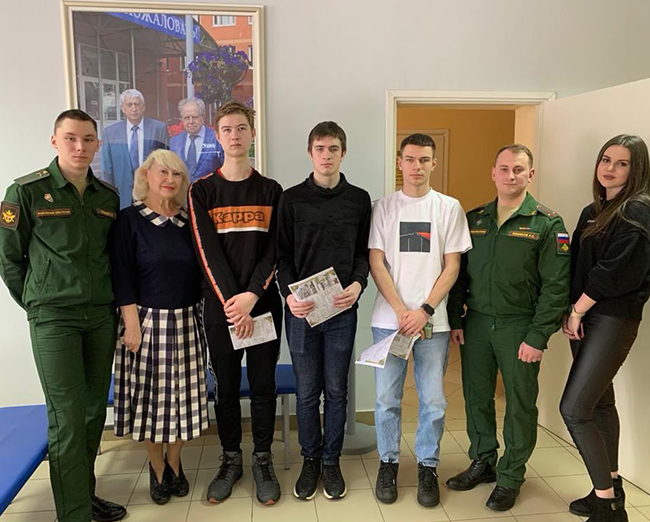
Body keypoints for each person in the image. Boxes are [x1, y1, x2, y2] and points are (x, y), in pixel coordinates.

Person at [0, 109, 125, 522]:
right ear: (55, 141)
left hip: (100, 316)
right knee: (67, 418)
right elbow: (9, 259)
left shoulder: (107, 197)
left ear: (97, 144)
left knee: (92, 413)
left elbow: (111, 257)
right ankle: (73, 515)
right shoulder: (25, 192)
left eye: (88, 139)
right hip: (54, 320)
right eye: (70, 138)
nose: (79, 146)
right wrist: (38, 303)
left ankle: (83, 496)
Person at [446, 144, 570, 511]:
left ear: (530, 175)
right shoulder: (475, 219)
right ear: (493, 173)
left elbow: (556, 287)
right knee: (476, 397)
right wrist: (455, 319)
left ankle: (511, 475)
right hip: (477, 324)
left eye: (518, 169)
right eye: (504, 168)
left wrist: (538, 336)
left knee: (519, 404)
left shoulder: (547, 223)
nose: (510, 175)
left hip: (520, 327)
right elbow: (458, 275)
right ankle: (483, 460)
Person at [188, 101, 283, 506]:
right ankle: (230, 460)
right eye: (227, 129)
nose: (234, 135)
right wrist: (233, 304)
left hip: (262, 306)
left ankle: (262, 459)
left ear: (252, 134)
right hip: (221, 310)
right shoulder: (202, 190)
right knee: (226, 388)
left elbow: (276, 250)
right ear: (217, 135)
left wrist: (251, 297)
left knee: (262, 387)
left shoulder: (271, 191)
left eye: (241, 128)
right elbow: (206, 253)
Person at [369, 133, 471, 508]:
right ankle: (388, 463)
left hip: (433, 324)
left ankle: (428, 466)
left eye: (424, 160)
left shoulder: (448, 207)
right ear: (400, 163)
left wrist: (424, 310)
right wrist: (401, 310)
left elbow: (452, 265)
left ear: (433, 163)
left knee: (433, 400)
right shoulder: (383, 207)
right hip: (389, 321)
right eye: (410, 159)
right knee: (386, 399)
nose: (417, 166)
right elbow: (376, 262)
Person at [277, 121, 371, 501]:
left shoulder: (359, 199)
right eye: (320, 148)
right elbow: (282, 258)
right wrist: (288, 296)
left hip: (341, 312)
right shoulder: (291, 199)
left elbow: (363, 254)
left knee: (336, 390)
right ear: (310, 153)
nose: (326, 155)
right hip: (301, 313)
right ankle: (310, 460)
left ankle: (331, 461)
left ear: (343, 153)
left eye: (333, 148)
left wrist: (358, 285)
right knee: (306, 393)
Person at [560, 135, 650, 522]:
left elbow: (612, 274)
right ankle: (611, 486)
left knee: (574, 409)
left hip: (611, 319)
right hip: (585, 317)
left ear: (637, 169)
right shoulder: (594, 210)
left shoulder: (638, 211)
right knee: (599, 404)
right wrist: (572, 311)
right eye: (605, 159)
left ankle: (608, 506)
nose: (610, 168)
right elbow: (578, 266)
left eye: (622, 163)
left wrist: (577, 312)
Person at [111, 149, 209, 505]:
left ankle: (174, 462)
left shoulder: (189, 221)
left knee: (183, 401)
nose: (169, 180)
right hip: (145, 324)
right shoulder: (129, 220)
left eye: (177, 174)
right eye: (162, 172)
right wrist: (131, 324)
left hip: (187, 322)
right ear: (145, 176)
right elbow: (121, 274)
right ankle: (156, 468)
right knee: (150, 402)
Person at [101, 89, 169, 209]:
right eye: (129, 105)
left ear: (143, 107)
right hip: (121, 195)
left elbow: (166, 163)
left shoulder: (158, 129)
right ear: (123, 108)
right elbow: (107, 169)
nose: (134, 108)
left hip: (151, 193)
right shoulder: (110, 133)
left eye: (137, 104)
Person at [170, 97, 224, 182]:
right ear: (181, 119)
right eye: (186, 118)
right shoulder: (174, 142)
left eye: (195, 117)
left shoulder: (217, 139)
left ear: (203, 117)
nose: (191, 121)